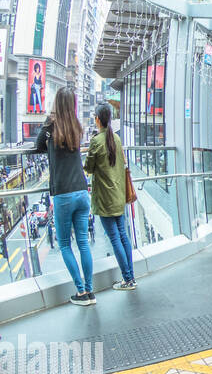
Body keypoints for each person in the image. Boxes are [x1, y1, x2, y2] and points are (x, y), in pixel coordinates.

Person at [30, 88, 95, 305]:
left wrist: (48, 121)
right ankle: (90, 290)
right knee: (83, 242)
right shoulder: (76, 127)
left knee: (66, 245)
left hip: (64, 194)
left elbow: (38, 146)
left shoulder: (51, 127)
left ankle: (81, 292)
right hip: (82, 190)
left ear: (56, 104)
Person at [84, 103, 135, 291]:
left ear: (98, 119)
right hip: (118, 195)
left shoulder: (96, 141)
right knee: (123, 235)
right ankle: (131, 277)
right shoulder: (116, 138)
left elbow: (88, 168)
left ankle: (128, 279)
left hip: (105, 198)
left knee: (114, 238)